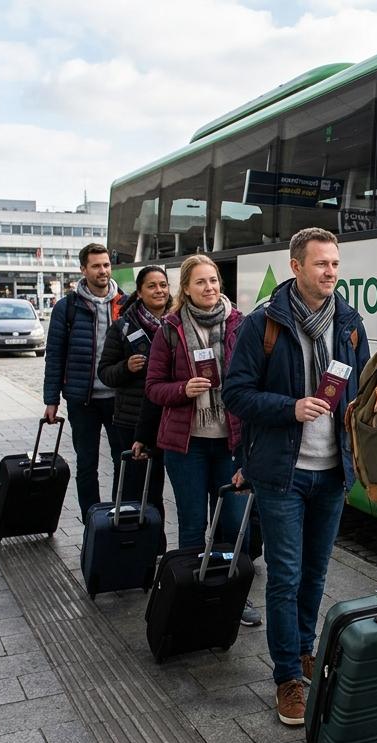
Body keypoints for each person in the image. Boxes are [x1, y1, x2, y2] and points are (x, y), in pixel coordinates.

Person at [224, 227, 370, 727]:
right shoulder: (262, 324)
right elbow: (235, 394)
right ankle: (287, 676)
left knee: (315, 573)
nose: (331, 272)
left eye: (335, 263)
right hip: (282, 474)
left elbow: (362, 389)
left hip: (332, 473)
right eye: (321, 264)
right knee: (284, 577)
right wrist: (291, 407)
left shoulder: (349, 324)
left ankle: (306, 651)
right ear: (295, 267)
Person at [144, 255, 260, 627]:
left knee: (231, 524)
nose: (210, 287)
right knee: (193, 524)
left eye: (214, 281)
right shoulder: (170, 330)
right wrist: (182, 389)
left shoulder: (241, 325)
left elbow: (256, 378)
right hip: (187, 444)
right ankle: (190, 593)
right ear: (186, 288)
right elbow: (153, 388)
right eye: (201, 282)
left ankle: (232, 595)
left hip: (232, 442)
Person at [42, 243, 125, 514]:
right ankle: (92, 518)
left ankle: (116, 514)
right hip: (82, 400)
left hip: (119, 398)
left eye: (106, 265)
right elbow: (54, 355)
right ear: (83, 269)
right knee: (87, 463)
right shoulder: (67, 308)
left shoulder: (124, 304)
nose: (103, 271)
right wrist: (51, 400)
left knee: (122, 460)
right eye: (96, 266)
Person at [97, 264, 170, 517]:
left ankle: (160, 544)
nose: (159, 290)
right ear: (139, 292)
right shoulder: (123, 327)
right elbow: (104, 372)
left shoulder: (179, 322)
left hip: (172, 417)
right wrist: (126, 367)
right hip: (134, 419)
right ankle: (138, 541)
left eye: (163, 285)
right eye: (152, 286)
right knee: (137, 485)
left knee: (161, 484)